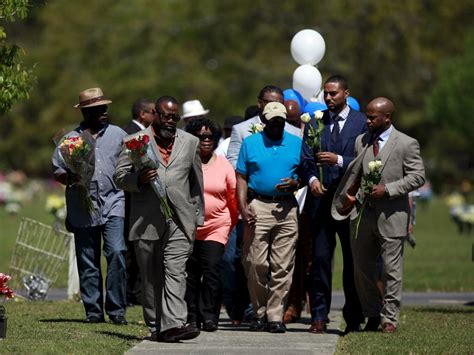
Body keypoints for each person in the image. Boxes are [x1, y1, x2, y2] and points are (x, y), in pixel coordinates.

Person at [114, 96, 204, 342]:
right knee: (151, 275)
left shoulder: (190, 142)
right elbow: (119, 177)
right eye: (166, 116)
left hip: (180, 219)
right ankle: (156, 325)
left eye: (175, 117)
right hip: (147, 218)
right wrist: (138, 180)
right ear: (154, 113)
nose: (170, 121)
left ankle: (174, 324)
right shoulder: (135, 142)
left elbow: (196, 184)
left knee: (176, 271)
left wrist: (197, 216)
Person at [332, 97, 425, 333]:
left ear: (387, 118)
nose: (368, 120)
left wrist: (389, 189)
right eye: (367, 115)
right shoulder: (361, 141)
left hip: (392, 216)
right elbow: (356, 173)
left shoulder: (406, 143)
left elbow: (417, 177)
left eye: (373, 117)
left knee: (391, 270)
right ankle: (372, 313)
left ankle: (390, 318)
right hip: (362, 216)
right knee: (361, 268)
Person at [52, 87, 128, 325]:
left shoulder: (118, 134)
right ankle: (93, 311)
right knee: (87, 260)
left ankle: (116, 310)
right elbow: (58, 170)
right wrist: (69, 178)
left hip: (113, 201)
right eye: (98, 109)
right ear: (86, 112)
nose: (104, 112)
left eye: (105, 107)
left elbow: (130, 163)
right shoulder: (69, 140)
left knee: (116, 251)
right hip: (82, 205)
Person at [300, 75, 366, 334]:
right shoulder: (317, 122)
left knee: (352, 263)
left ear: (346, 94)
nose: (328, 98)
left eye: (333, 94)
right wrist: (313, 178)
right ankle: (319, 316)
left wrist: (338, 160)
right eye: (326, 94)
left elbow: (365, 160)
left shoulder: (361, 123)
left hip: (348, 203)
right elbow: (306, 159)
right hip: (320, 204)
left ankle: (353, 317)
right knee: (320, 261)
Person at [236, 102, 302, 334]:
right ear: (263, 120)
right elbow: (241, 177)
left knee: (282, 265)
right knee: (255, 263)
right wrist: (243, 207)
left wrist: (297, 182)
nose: (276, 125)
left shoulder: (296, 142)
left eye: (280, 121)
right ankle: (258, 311)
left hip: (287, 208)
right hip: (258, 206)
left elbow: (306, 172)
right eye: (272, 121)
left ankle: (275, 316)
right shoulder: (250, 143)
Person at [184, 118, 238, 332]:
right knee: (191, 274)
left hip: (217, 226)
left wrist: (228, 225)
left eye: (210, 137)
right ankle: (192, 316)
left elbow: (233, 198)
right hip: (189, 227)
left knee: (213, 270)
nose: (206, 140)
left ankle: (210, 317)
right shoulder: (185, 163)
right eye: (200, 136)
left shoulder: (224, 164)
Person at [122, 98, 156, 306]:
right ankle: (131, 293)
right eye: (153, 112)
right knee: (131, 249)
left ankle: (135, 291)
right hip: (131, 198)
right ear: (142, 114)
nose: (156, 116)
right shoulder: (132, 135)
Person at [226, 85, 300, 169]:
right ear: (259, 103)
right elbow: (232, 160)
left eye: (279, 104)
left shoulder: (295, 133)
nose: (274, 107)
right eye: (270, 103)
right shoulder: (241, 130)